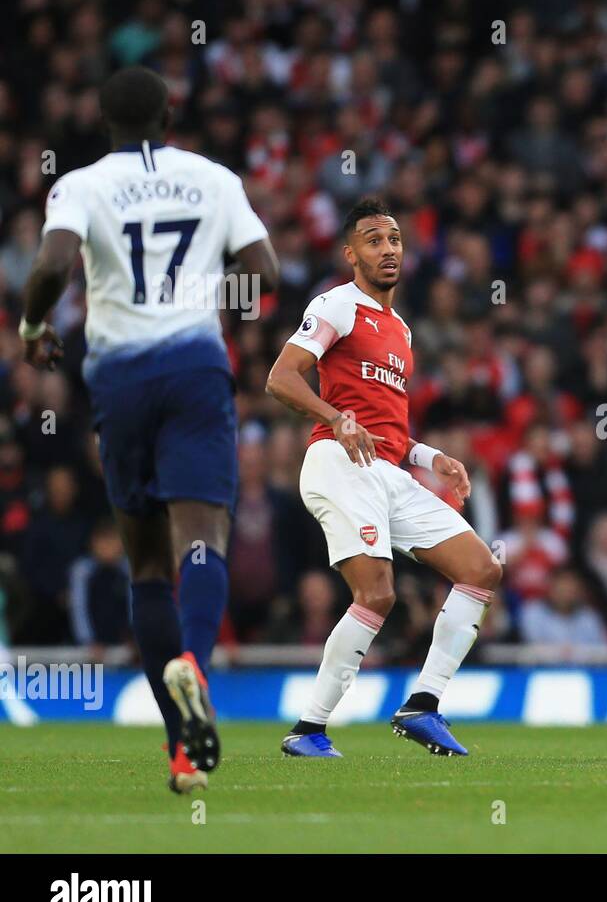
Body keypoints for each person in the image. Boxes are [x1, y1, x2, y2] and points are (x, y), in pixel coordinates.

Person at [20, 66, 279, 794]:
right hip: (196, 367)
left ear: (103, 120)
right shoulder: (215, 178)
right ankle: (195, 661)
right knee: (203, 535)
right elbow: (264, 269)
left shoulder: (80, 185)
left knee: (145, 567)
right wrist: (209, 289)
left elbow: (51, 264)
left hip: (120, 379)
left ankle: (181, 749)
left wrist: (34, 326)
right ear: (170, 115)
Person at [266, 198, 502, 759]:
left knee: (481, 569)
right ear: (351, 254)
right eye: (374, 240)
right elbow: (281, 378)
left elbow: (385, 427)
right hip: (336, 464)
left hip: (388, 471)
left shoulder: (399, 329)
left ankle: (423, 705)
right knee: (377, 593)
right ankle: (310, 727)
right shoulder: (337, 305)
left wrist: (430, 459)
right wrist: (333, 417)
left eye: (394, 238)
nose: (388, 248)